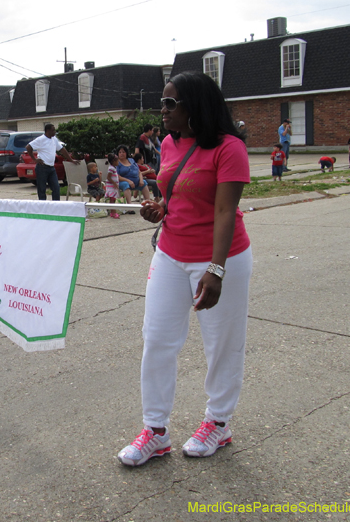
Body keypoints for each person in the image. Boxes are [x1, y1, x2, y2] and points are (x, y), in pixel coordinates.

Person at [117, 71, 252, 466]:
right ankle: (155, 431)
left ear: (195, 105)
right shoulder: (172, 144)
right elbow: (176, 191)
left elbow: (225, 210)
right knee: (157, 339)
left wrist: (217, 268)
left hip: (220, 257)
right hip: (171, 254)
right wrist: (161, 207)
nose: (162, 110)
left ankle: (218, 422)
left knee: (222, 343)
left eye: (170, 103)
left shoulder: (230, 148)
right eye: (163, 102)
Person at [25, 124, 77, 201]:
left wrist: (71, 159)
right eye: (53, 130)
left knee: (56, 187)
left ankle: (55, 205)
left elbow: (62, 149)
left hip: (51, 168)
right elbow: (28, 147)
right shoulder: (41, 139)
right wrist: (35, 159)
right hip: (42, 167)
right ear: (48, 131)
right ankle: (43, 205)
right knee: (42, 189)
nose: (55, 132)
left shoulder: (54, 139)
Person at [104, 153, 122, 219]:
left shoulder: (113, 168)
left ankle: (112, 212)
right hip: (111, 187)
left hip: (113, 187)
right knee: (112, 200)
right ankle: (113, 212)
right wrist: (114, 183)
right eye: (117, 161)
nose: (118, 162)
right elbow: (108, 177)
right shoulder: (111, 168)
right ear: (113, 161)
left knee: (113, 199)